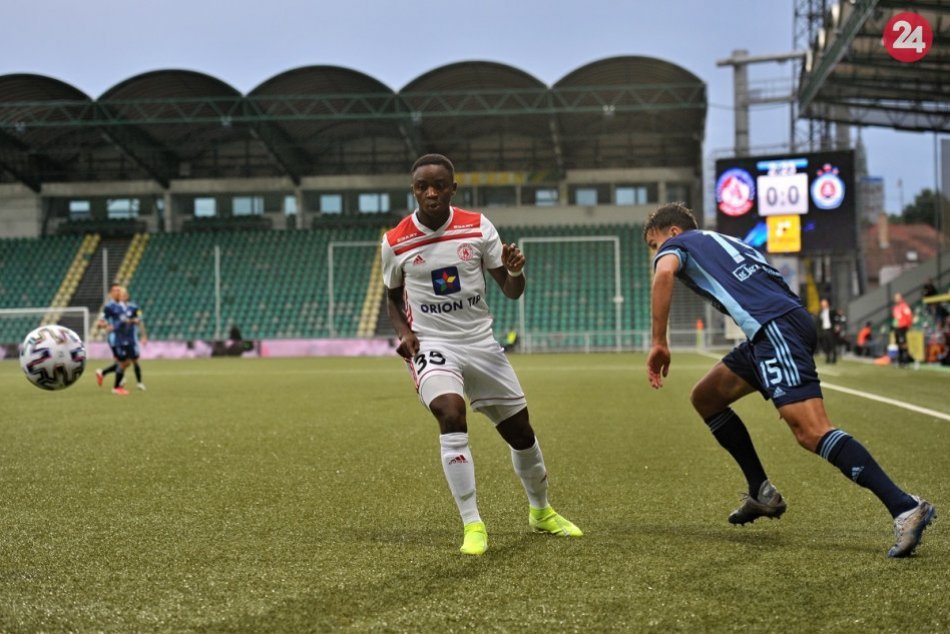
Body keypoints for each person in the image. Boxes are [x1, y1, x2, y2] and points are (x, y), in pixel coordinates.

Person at [644, 203, 935, 558]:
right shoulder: (728, 242)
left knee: (811, 431)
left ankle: (905, 506)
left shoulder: (681, 243)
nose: (656, 253)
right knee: (706, 397)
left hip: (774, 329)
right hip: (775, 327)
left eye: (654, 244)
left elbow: (663, 275)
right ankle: (761, 491)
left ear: (673, 232)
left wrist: (659, 342)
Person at [381, 153, 582, 556]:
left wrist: (516, 271)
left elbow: (511, 290)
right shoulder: (395, 240)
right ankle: (472, 524)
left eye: (439, 186)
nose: (431, 193)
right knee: (450, 412)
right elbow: (392, 297)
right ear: (414, 190)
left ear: (453, 189)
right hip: (433, 345)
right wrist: (405, 333)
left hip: (481, 344)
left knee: (521, 434)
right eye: (423, 186)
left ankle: (541, 512)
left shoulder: (477, 226)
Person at [95, 284, 134, 396]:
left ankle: (103, 373)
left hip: (124, 337)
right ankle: (117, 386)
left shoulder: (123, 306)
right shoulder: (109, 307)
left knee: (123, 362)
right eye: (115, 290)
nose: (118, 292)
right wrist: (107, 326)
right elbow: (100, 323)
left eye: (119, 290)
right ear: (111, 293)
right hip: (114, 338)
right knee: (123, 362)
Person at [121, 288, 147, 391]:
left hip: (131, 338)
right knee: (122, 360)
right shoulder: (116, 308)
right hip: (120, 338)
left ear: (128, 296)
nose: (123, 296)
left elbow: (140, 321)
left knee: (135, 360)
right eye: (122, 295)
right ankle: (121, 378)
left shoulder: (134, 307)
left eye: (125, 295)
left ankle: (139, 382)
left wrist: (143, 336)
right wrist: (132, 320)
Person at [891, 292, 913, 368]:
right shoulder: (895, 308)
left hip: (903, 327)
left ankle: (906, 361)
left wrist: (909, 325)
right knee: (898, 344)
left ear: (901, 298)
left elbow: (909, 315)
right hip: (897, 328)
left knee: (903, 344)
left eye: (897, 298)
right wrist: (894, 327)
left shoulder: (904, 306)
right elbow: (895, 318)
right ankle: (900, 361)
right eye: (895, 298)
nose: (896, 299)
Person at [816, 298, 837, 364]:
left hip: (830, 329)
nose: (823, 305)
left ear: (827, 304)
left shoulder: (831, 310)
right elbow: (819, 322)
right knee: (825, 345)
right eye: (822, 304)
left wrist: (837, 326)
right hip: (823, 330)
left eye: (824, 303)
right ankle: (828, 358)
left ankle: (834, 358)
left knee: (832, 344)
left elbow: (836, 319)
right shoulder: (821, 312)